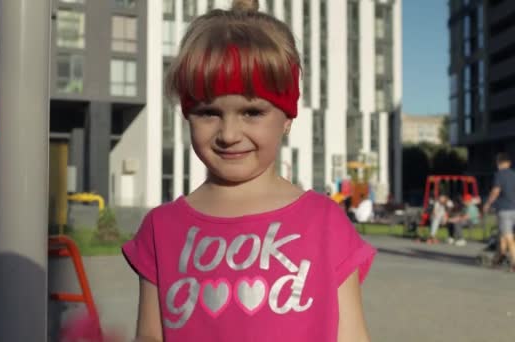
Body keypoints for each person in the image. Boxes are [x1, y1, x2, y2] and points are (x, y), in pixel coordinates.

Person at [121, 1, 376, 341]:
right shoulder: (160, 228)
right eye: (209, 112)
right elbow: (150, 336)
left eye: (252, 112)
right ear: (186, 114)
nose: (228, 134)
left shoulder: (325, 222)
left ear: (287, 117)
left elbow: (352, 336)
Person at [483, 153, 515, 272]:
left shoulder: (499, 175)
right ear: (509, 163)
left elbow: (496, 191)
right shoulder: (514, 174)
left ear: (498, 164)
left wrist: (487, 204)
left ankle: (514, 263)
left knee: (508, 237)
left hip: (505, 210)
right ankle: (498, 260)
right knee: (502, 236)